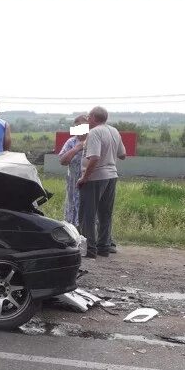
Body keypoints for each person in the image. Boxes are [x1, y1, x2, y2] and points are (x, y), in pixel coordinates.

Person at [77, 106, 126, 258]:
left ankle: (89, 249)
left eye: (88, 117)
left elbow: (94, 157)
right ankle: (104, 247)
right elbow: (123, 154)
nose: (87, 119)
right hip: (111, 176)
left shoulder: (94, 132)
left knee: (88, 214)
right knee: (105, 213)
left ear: (93, 118)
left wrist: (85, 178)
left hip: (96, 177)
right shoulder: (114, 131)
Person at [58, 115, 87, 227]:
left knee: (86, 208)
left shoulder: (92, 140)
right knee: (72, 208)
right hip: (73, 183)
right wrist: (76, 149)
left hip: (88, 182)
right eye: (76, 126)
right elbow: (62, 161)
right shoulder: (71, 142)